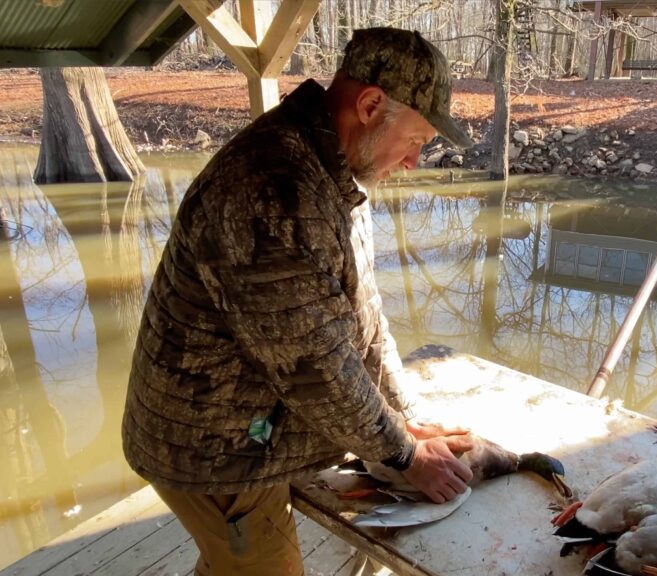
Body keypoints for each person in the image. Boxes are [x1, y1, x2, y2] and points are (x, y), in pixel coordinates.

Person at [121, 27, 476, 575]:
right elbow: (319, 367)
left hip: (249, 420)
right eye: (416, 140)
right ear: (371, 105)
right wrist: (403, 456)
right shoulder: (276, 189)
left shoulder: (333, 171)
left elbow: (365, 320)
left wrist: (404, 421)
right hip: (211, 447)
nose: (412, 162)